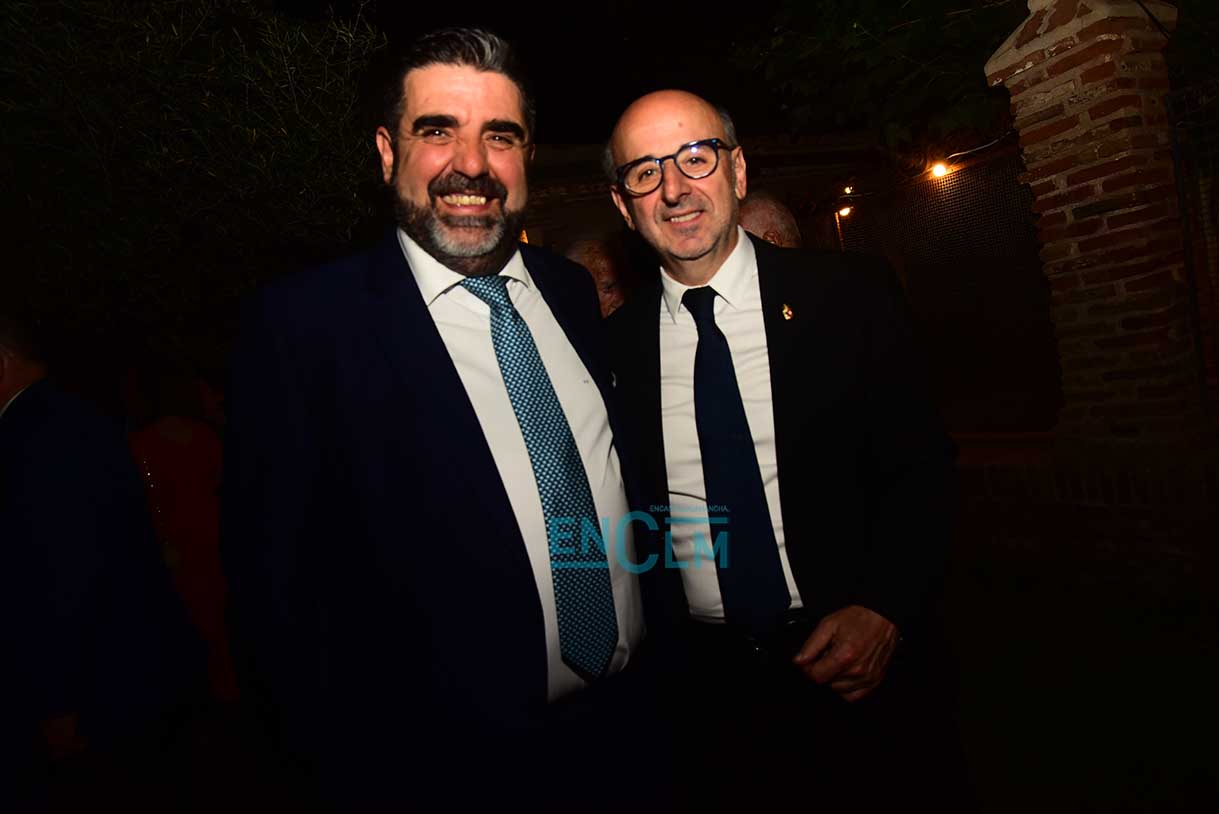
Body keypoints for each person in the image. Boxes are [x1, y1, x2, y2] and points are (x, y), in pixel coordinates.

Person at [222, 28, 666, 810]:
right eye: (437, 131)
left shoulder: (570, 292)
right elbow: (276, 599)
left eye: (500, 136)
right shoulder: (303, 328)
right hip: (436, 765)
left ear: (527, 157)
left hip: (629, 732)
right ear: (386, 153)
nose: (472, 164)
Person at [603, 90, 960, 810]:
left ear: (736, 171)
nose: (673, 189)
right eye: (645, 171)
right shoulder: (611, 348)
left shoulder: (849, 295)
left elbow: (922, 469)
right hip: (703, 695)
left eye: (695, 158)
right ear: (623, 205)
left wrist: (884, 607)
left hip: (857, 668)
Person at [0, 312, 202, 808]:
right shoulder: (58, 420)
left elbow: (61, 572)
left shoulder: (41, 433)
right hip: (115, 677)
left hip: (100, 687)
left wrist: (57, 699)